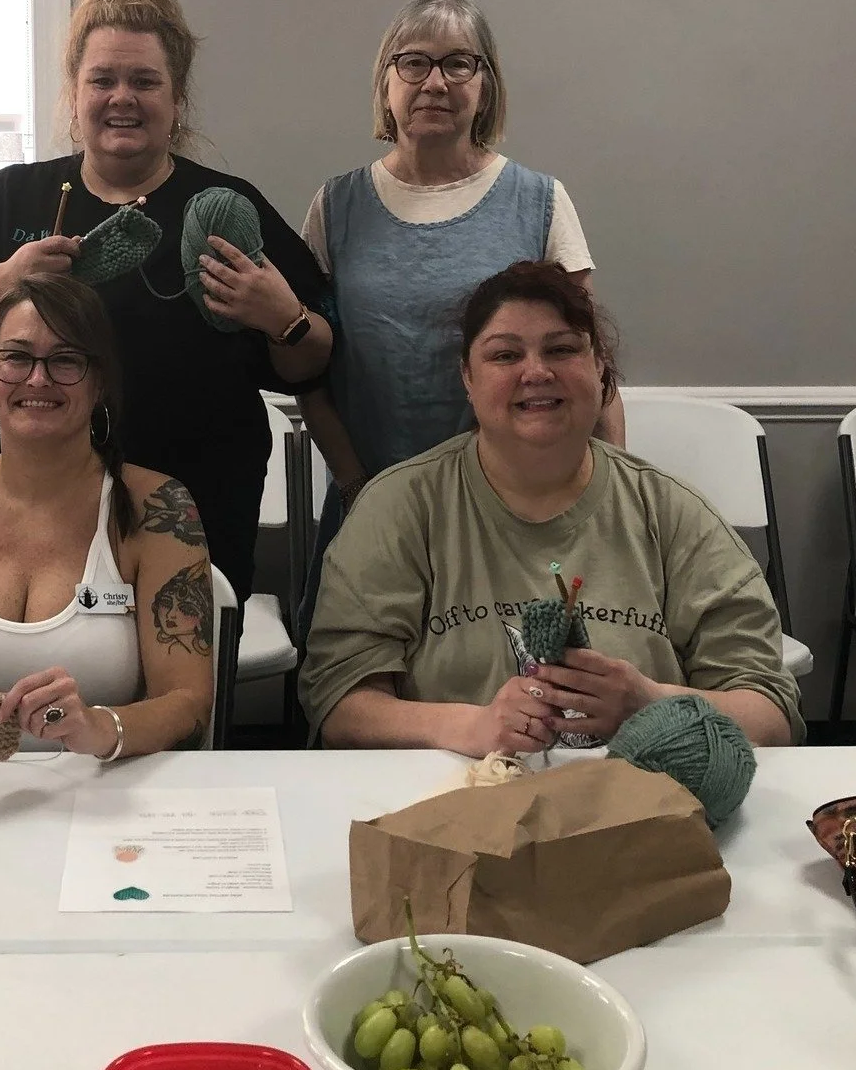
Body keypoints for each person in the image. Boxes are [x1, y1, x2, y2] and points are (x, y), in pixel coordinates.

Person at [0, 0, 331, 603]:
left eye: (145, 82)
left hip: (197, 511)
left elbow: (314, 361)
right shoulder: (11, 197)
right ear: (73, 95)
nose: (121, 98)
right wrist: (6, 280)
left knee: (179, 695)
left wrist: (282, 318)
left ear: (177, 99)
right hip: (26, 515)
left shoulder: (226, 208)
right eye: (102, 80)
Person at [297, 262, 802, 754]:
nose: (536, 372)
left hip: (639, 808)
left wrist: (651, 703)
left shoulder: (671, 513)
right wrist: (474, 728)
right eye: (504, 355)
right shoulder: (400, 508)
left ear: (600, 369)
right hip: (450, 805)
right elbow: (341, 704)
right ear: (467, 378)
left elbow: (771, 713)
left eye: (562, 349)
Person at [297, 0, 623, 631]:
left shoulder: (541, 201)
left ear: (487, 84)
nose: (435, 83)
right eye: (413, 63)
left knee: (518, 703)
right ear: (385, 84)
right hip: (374, 502)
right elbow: (311, 371)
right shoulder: (335, 209)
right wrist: (356, 486)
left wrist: (609, 502)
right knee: (362, 695)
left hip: (518, 510)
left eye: (459, 64)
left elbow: (588, 370)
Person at [0, 275, 214, 760]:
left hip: (104, 802)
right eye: (17, 357)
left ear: (100, 383)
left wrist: (100, 726)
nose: (38, 379)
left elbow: (190, 707)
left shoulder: (160, 510)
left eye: (66, 359)